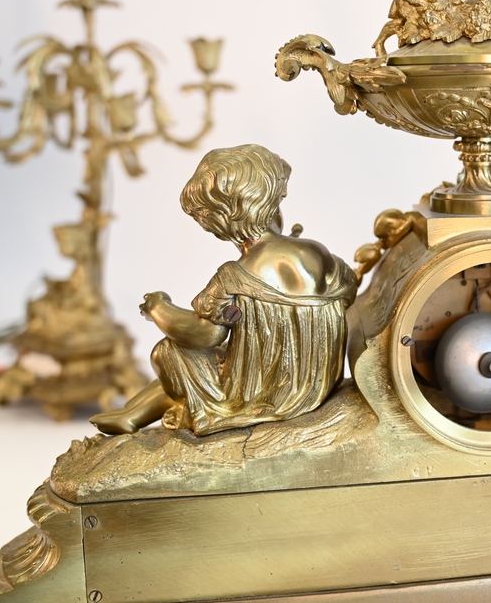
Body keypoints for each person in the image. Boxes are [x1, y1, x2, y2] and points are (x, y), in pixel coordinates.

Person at [91, 144, 357, 435]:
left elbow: (204, 334)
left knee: (170, 351)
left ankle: (142, 414)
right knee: (218, 357)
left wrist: (158, 309)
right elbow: (345, 291)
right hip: (317, 381)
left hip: (263, 392)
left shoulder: (233, 276)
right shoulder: (316, 250)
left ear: (221, 220)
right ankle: (131, 414)